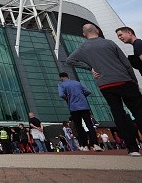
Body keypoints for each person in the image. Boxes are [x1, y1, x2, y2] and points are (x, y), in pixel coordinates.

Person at [67, 24, 142, 156]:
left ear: (84, 34)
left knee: (118, 114)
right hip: (124, 80)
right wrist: (134, 80)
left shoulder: (83, 47)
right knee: (138, 111)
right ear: (98, 31)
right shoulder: (109, 43)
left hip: (105, 85)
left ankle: (132, 148)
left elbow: (70, 60)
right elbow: (126, 63)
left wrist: (89, 68)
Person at [57, 72, 103, 151]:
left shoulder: (62, 85)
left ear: (61, 78)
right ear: (68, 76)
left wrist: (67, 99)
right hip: (84, 106)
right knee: (89, 125)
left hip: (73, 107)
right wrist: (82, 97)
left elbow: (61, 95)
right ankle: (96, 144)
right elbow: (88, 91)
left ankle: (84, 145)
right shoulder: (77, 83)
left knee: (78, 127)